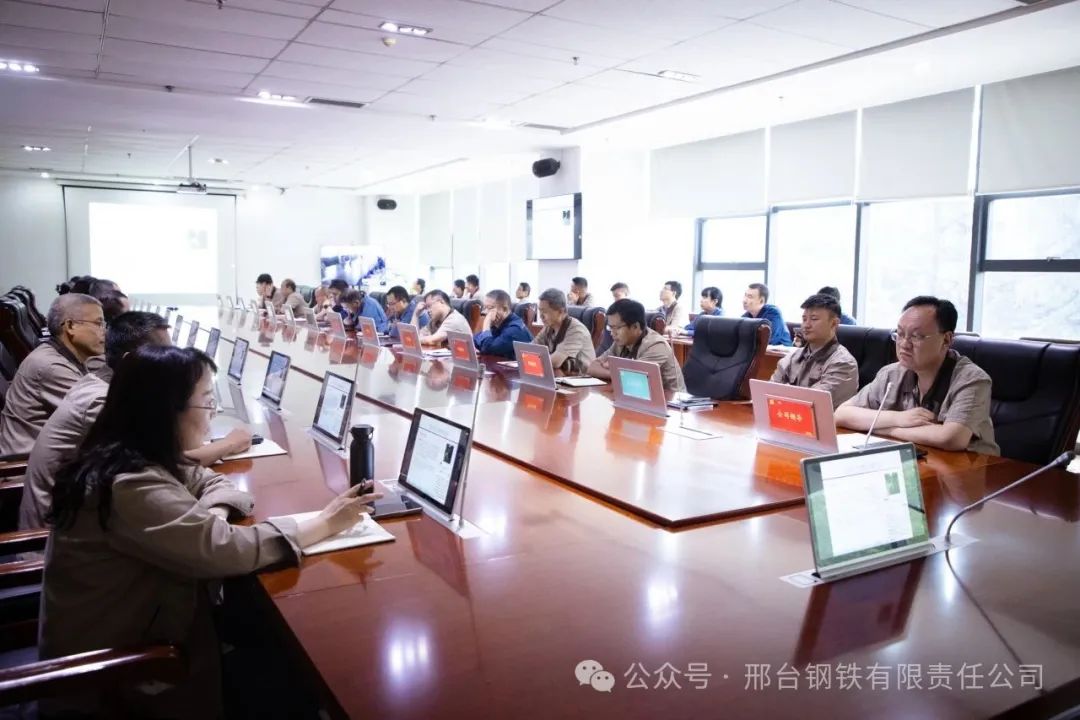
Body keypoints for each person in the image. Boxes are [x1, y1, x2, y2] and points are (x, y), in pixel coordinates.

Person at [40, 345, 380, 718]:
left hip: (150, 632)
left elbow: (210, 483)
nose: (212, 412)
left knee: (267, 639)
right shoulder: (128, 483)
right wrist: (327, 522)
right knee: (288, 671)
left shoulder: (130, 455)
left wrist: (209, 517)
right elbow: (226, 551)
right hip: (122, 681)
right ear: (166, 410)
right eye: (205, 401)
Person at [19, 311, 252, 530]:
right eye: (163, 352)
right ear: (134, 361)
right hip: (48, 533)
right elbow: (176, 461)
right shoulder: (103, 402)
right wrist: (229, 444)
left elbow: (182, 468)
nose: (172, 360)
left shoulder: (108, 385)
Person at [835, 296, 999, 454]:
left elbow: (952, 438)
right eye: (900, 334)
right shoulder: (892, 373)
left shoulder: (972, 379)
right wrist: (898, 419)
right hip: (915, 460)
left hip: (971, 467)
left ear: (947, 340)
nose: (904, 344)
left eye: (916, 336)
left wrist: (886, 429)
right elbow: (841, 414)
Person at [0, 294, 105, 455]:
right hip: (24, 462)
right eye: (99, 323)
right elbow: (101, 416)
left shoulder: (61, 354)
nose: (104, 331)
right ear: (70, 326)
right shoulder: (51, 366)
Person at [770, 294, 859, 406]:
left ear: (834, 323)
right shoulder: (792, 357)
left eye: (814, 319)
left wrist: (784, 393)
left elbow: (814, 402)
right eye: (804, 319)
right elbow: (770, 392)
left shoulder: (844, 363)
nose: (806, 325)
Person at [588, 299, 685, 392]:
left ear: (635, 326)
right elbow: (592, 367)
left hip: (670, 400)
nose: (612, 333)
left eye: (617, 328)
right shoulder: (620, 342)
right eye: (610, 327)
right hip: (638, 394)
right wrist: (616, 373)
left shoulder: (656, 345)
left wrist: (614, 369)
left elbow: (635, 378)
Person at [534, 288, 596, 373]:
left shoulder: (576, 330)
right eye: (540, 311)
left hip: (580, 378)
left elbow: (555, 362)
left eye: (545, 311)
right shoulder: (549, 327)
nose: (541, 316)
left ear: (560, 311)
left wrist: (531, 359)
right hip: (560, 376)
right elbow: (530, 349)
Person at [474, 290, 532, 358]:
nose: (485, 312)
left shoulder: (515, 329)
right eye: (484, 308)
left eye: (490, 308)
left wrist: (486, 323)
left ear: (505, 309)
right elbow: (474, 340)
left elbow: (488, 348)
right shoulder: (498, 324)